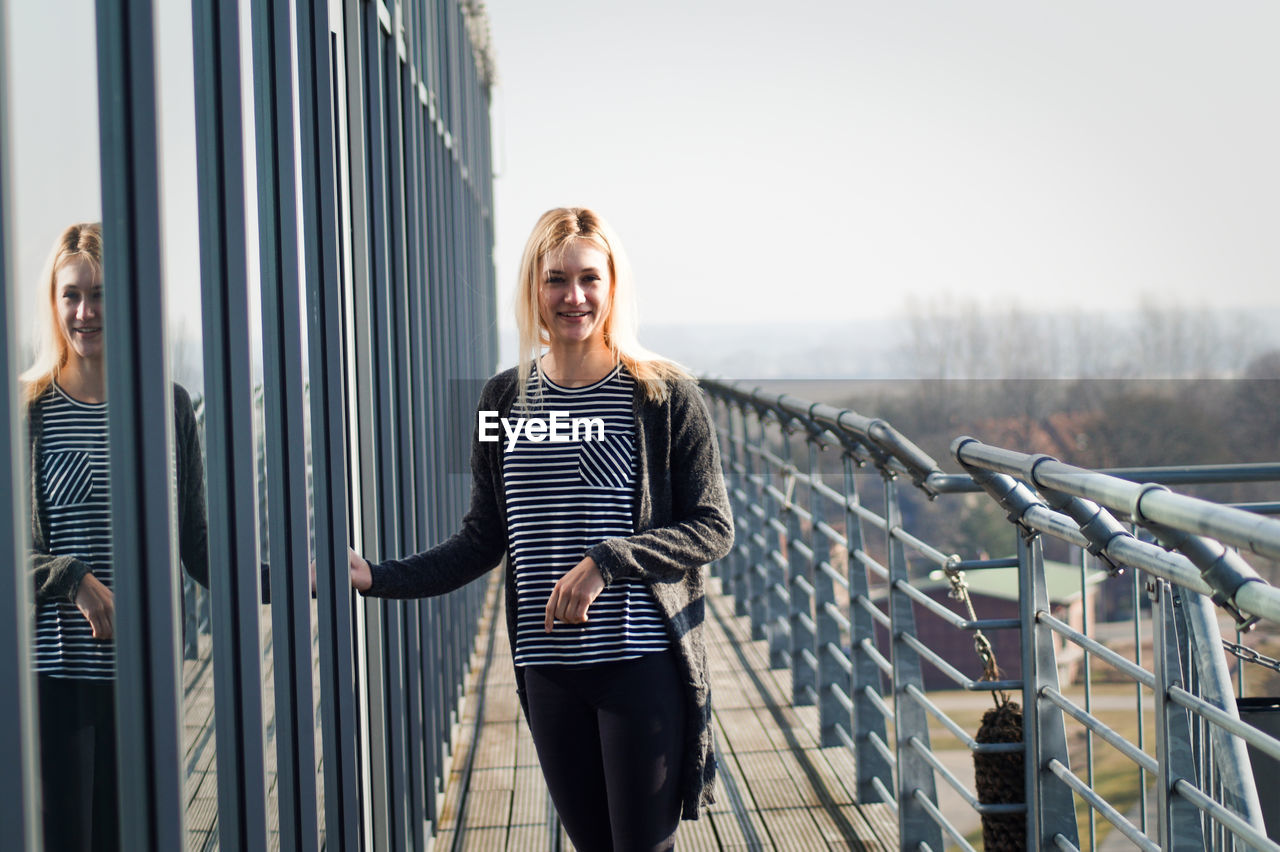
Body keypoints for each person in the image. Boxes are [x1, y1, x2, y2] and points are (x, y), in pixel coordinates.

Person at [349, 207, 734, 851]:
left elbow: (712, 527)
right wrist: (377, 576)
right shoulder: (501, 401)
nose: (573, 297)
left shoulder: (664, 398)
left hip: (640, 665)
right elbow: (482, 540)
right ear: (534, 288)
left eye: (589, 278)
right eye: (556, 279)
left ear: (613, 285)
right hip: (546, 670)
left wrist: (607, 561)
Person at [22, 222, 210, 852]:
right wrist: (72, 579)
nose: (86, 311)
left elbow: (200, 547)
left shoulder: (168, 407)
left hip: (146, 676)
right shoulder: (28, 413)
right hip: (56, 681)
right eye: (72, 295)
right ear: (53, 303)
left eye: (99, 294)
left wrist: (296, 574)